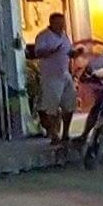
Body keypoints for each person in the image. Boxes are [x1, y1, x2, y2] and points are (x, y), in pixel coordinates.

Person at [29, 13, 76, 147]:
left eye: (62, 23)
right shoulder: (43, 36)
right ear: (51, 23)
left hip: (65, 74)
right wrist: (53, 51)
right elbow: (38, 53)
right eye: (58, 23)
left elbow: (67, 52)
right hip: (50, 76)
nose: (61, 25)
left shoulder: (64, 36)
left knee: (69, 105)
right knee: (51, 107)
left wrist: (74, 54)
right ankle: (54, 134)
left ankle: (65, 133)